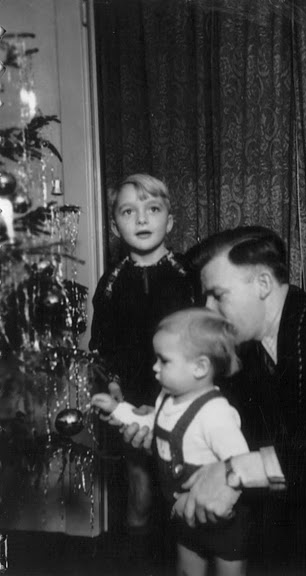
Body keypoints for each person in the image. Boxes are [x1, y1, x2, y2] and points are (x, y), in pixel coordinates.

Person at [123, 226, 306, 574]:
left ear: (263, 285)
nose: (207, 309)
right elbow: (241, 431)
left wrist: (237, 472)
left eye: (217, 295)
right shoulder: (250, 353)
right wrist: (167, 421)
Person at [92, 308, 251, 576]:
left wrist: (221, 505)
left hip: (221, 519)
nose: (154, 367)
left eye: (164, 361)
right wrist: (117, 410)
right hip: (181, 513)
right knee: (187, 569)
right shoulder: (166, 397)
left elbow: (242, 466)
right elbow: (154, 426)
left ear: (200, 367)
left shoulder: (216, 414)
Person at [89, 174, 197, 562]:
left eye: (153, 209)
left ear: (169, 221)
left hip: (186, 399)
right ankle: (140, 565)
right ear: (115, 225)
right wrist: (114, 388)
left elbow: (207, 341)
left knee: (185, 488)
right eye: (128, 211)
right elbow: (103, 349)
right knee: (141, 490)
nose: (141, 219)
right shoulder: (112, 284)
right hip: (135, 401)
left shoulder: (189, 274)